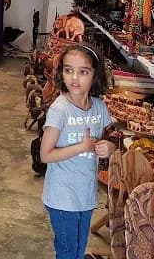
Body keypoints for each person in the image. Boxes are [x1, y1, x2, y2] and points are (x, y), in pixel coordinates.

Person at [40, 44, 113, 259]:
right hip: (62, 197)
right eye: (68, 70)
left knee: (79, 250)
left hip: (86, 195)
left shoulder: (99, 108)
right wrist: (82, 146)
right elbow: (46, 155)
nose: (75, 77)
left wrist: (109, 147)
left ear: (95, 75)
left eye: (83, 71)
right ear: (61, 72)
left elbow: (111, 139)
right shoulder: (60, 109)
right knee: (68, 251)